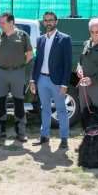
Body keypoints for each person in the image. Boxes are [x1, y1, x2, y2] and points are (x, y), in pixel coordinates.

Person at [29, 11, 72, 149]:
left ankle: (64, 138)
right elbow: (37, 62)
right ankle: (44, 136)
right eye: (46, 20)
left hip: (58, 81)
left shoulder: (65, 39)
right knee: (44, 109)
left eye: (51, 20)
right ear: (43, 22)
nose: (48, 22)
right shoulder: (40, 39)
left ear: (56, 21)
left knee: (61, 110)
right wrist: (32, 80)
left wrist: (65, 83)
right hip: (42, 79)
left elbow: (68, 64)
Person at [0, 12, 34, 142]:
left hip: (17, 73)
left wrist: (18, 65)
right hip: (1, 73)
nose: (0, 25)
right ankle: (0, 131)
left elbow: (29, 55)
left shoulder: (23, 36)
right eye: (0, 22)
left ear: (11, 22)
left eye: (3, 23)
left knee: (19, 102)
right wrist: (4, 64)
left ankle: (20, 132)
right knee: (0, 102)